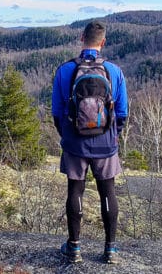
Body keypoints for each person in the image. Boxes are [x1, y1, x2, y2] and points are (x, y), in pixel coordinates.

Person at [51, 20, 128, 264]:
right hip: (105, 142)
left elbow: (56, 112)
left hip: (75, 142)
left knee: (75, 190)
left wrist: (67, 135)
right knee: (108, 191)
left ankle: (74, 248)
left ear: (81, 38)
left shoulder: (65, 70)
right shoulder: (114, 71)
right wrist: (111, 133)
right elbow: (123, 113)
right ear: (103, 42)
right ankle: (110, 250)